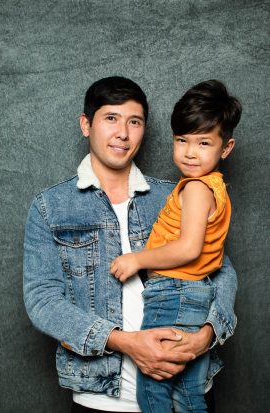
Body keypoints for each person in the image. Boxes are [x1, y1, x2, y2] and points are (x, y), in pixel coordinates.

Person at [23, 76, 238, 413]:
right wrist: (124, 342)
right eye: (111, 118)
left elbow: (221, 270)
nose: (123, 132)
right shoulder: (50, 207)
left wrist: (206, 336)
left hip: (189, 384)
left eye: (134, 121)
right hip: (103, 397)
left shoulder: (178, 193)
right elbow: (43, 300)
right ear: (86, 125)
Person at [110, 80, 242, 413]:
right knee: (187, 391)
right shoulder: (213, 186)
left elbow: (188, 249)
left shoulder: (197, 188)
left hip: (174, 295)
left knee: (153, 389)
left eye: (203, 143)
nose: (189, 152)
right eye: (182, 140)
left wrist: (136, 259)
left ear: (226, 149)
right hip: (193, 293)